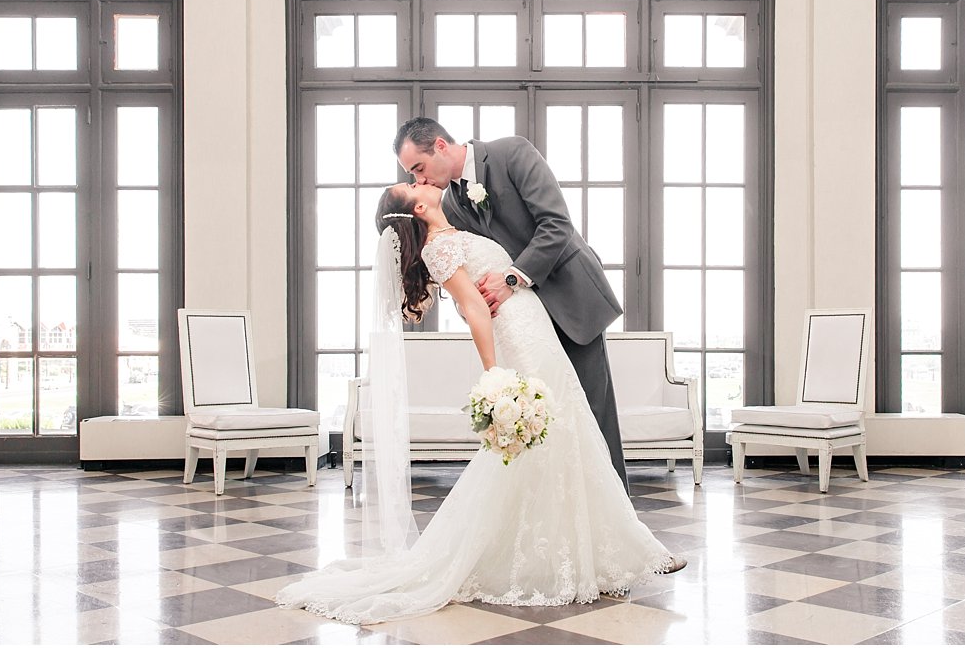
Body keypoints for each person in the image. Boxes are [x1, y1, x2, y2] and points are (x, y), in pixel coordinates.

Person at [275, 184, 683, 625]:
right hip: (521, 341)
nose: (420, 181)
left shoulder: (454, 230)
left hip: (536, 328)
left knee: (571, 437)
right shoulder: (439, 249)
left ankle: (610, 553)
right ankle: (625, 551)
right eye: (412, 183)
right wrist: (494, 373)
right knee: (555, 437)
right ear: (417, 206)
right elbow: (474, 308)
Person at [392, 117, 631, 491]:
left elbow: (556, 224)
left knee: (592, 412)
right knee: (551, 421)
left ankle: (621, 522)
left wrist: (511, 279)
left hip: (569, 296)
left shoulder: (511, 153)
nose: (420, 180)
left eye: (419, 169)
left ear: (440, 145)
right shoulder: (450, 204)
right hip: (523, 324)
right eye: (412, 175)